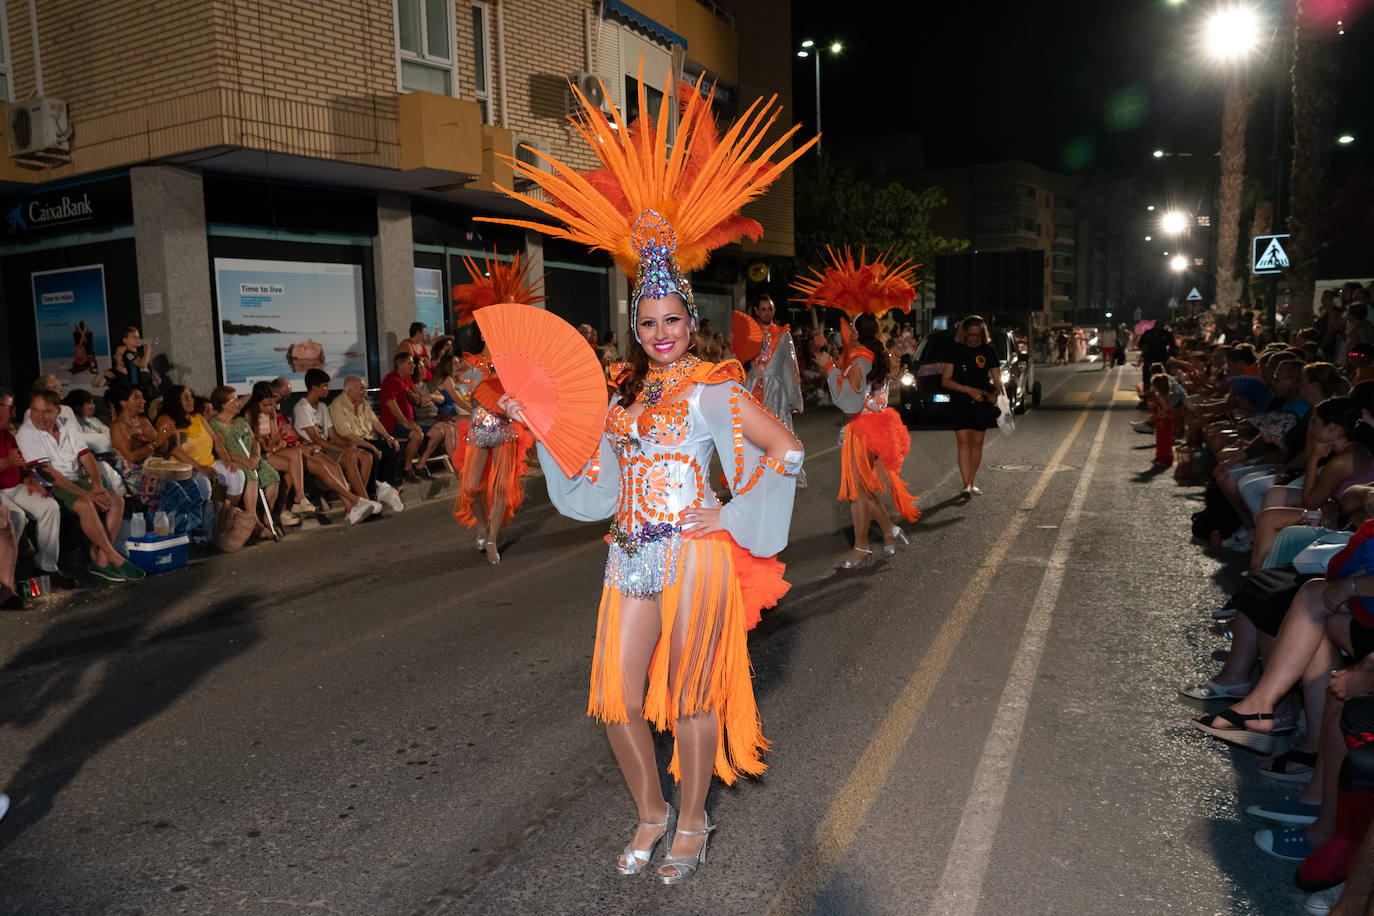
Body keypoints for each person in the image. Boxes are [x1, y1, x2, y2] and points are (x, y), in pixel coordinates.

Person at [480, 71, 813, 883]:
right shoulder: (623, 392)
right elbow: (585, 459)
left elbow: (790, 451)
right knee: (619, 702)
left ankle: (693, 822)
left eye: (672, 321)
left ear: (689, 320)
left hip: (694, 557)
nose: (660, 333)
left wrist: (729, 519)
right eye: (648, 322)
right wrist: (523, 420)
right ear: (636, 324)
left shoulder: (714, 387)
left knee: (693, 701)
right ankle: (651, 811)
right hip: (626, 556)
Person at [817, 312, 921, 567]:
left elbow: (849, 399)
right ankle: (889, 531)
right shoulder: (876, 353)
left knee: (856, 491)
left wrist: (829, 368)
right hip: (874, 426)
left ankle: (862, 547)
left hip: (860, 428)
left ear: (856, 331)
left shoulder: (861, 356)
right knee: (864, 488)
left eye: (851, 326)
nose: (848, 330)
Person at [18, 388, 141, 582]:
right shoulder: (27, 432)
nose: (39, 417)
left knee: (116, 500)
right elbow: (48, 474)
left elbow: (85, 454)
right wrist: (87, 493)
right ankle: (114, 557)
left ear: (57, 411)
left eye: (46, 411)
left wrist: (97, 485)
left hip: (77, 480)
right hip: (51, 485)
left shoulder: (66, 424)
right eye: (34, 411)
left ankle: (101, 562)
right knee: (85, 504)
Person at [0, 388, 71, 588]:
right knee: (15, 518)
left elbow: (20, 464)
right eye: (10, 407)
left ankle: (47, 566)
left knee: (50, 506)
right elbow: (8, 461)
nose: (14, 413)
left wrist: (30, 478)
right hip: (1, 492)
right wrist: (6, 462)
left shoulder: (7, 434)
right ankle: (7, 576)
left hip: (15, 487)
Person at [292, 368, 381, 524]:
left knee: (365, 456)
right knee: (349, 456)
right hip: (316, 450)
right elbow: (316, 439)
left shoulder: (323, 407)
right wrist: (343, 449)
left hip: (327, 446)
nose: (328, 389)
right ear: (314, 387)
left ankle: (361, 501)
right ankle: (363, 502)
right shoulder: (302, 408)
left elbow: (333, 436)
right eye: (325, 386)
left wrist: (349, 444)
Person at [745, 294, 806, 487]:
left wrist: (793, 396)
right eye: (763, 309)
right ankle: (752, 473)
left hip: (777, 392)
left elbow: (791, 367)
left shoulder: (783, 335)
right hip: (753, 387)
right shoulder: (748, 334)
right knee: (750, 433)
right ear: (756, 311)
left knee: (779, 431)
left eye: (770, 308)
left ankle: (779, 472)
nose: (766, 312)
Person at [942, 315, 1004, 498]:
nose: (975, 338)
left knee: (977, 443)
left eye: (978, 334)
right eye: (971, 334)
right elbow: (945, 380)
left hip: (981, 404)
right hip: (960, 402)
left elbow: (997, 379)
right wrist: (967, 389)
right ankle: (965, 485)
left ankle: (971, 481)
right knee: (963, 442)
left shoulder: (988, 350)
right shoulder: (955, 350)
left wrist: (994, 392)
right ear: (965, 334)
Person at [328, 375, 405, 511]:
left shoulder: (363, 403)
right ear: (349, 390)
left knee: (393, 448)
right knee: (372, 454)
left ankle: (384, 485)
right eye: (361, 389)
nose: (365, 392)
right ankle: (371, 494)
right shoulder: (338, 405)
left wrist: (389, 437)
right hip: (352, 443)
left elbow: (375, 421)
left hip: (367, 439)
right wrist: (372, 447)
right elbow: (347, 434)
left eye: (365, 388)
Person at [245, 382, 313, 517]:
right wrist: (272, 446)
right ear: (257, 403)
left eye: (271, 404)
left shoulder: (272, 412)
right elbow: (254, 442)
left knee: (296, 454)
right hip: (258, 453)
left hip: (270, 448)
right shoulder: (249, 415)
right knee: (291, 467)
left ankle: (299, 496)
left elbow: (274, 437)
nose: (270, 408)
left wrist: (281, 434)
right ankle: (282, 507)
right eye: (265, 405)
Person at [380, 352, 429, 480]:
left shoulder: (407, 379)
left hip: (409, 420)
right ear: (400, 365)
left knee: (437, 432)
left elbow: (416, 397)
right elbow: (391, 403)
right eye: (410, 363)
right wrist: (405, 422)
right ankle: (407, 468)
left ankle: (418, 466)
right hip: (392, 423)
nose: (414, 365)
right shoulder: (391, 380)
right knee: (417, 435)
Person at [112, 326, 156, 396]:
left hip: (149, 388)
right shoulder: (128, 354)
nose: (138, 339)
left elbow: (146, 368)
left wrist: (154, 376)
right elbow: (142, 364)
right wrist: (148, 347)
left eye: (138, 337)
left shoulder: (140, 354)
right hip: (140, 390)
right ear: (125, 340)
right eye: (134, 337)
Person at [1149, 374, 1174, 469]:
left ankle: (1163, 459)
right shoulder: (1166, 395)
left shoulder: (1160, 397)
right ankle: (1162, 458)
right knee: (1164, 440)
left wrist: (1157, 415)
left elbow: (1165, 409)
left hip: (1163, 421)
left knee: (1163, 441)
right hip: (1164, 421)